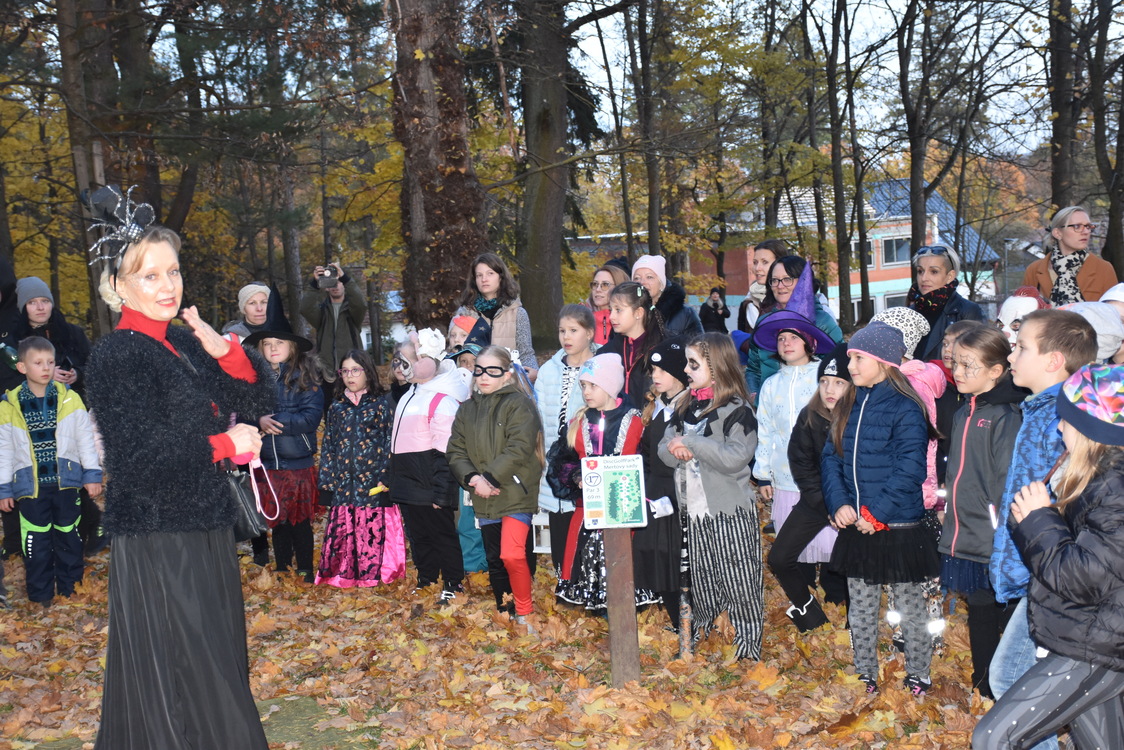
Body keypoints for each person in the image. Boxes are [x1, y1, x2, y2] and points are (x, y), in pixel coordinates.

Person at [84, 208, 272, 748]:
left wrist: (227, 353)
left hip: (205, 521)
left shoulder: (183, 342)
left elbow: (256, 398)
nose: (168, 286)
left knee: (215, 653)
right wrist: (225, 445)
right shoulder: (117, 354)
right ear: (119, 286)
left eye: (173, 271)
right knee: (186, 662)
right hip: (158, 533)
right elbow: (137, 457)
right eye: (150, 275)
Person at [973, 363, 1124, 750]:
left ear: (1091, 429)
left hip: (1096, 648)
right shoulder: (1100, 479)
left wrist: (1038, 520)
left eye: (1067, 420)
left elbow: (1084, 580)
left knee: (993, 738)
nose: (1059, 427)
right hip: (1090, 638)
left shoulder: (1115, 489)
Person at [986, 309, 1097, 750]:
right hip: (1040, 568)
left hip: (1052, 573)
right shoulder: (1038, 411)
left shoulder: (1063, 420)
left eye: (1021, 347)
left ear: (1053, 361)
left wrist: (1025, 564)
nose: (1011, 355)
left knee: (1012, 678)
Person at [823, 321, 940, 696]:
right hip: (858, 525)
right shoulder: (850, 403)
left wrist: (877, 514)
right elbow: (831, 457)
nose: (850, 366)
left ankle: (918, 673)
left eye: (858, 358)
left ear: (885, 361)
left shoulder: (907, 407)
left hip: (897, 525)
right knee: (860, 606)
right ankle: (865, 673)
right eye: (850, 358)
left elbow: (911, 468)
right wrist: (840, 502)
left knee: (909, 606)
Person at [659, 334, 763, 660]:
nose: (686, 370)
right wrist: (676, 448)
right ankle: (710, 642)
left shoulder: (738, 410)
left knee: (739, 582)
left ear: (716, 368)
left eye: (694, 364)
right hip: (693, 513)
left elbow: (736, 457)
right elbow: (664, 449)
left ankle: (746, 650)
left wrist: (692, 443)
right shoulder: (684, 406)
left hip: (730, 513)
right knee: (703, 581)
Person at [938, 326, 1023, 699]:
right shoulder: (963, 412)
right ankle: (983, 685)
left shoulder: (1005, 416)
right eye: (956, 363)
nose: (957, 372)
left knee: (1003, 608)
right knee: (980, 607)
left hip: (994, 535)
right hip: (966, 529)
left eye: (968, 365)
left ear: (996, 371)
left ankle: (1006, 684)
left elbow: (1006, 481)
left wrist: (1002, 528)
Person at [0, 337, 102, 606]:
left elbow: (85, 440)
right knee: (36, 543)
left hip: (66, 483)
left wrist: (92, 474)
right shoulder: (9, 406)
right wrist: (4, 488)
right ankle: (40, 596)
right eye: (38, 363)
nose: (46, 368)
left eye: (50, 362)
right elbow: (4, 450)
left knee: (70, 537)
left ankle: (71, 590)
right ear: (22, 367)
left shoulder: (70, 399)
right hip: (30, 487)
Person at [753, 313, 839, 625]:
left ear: (808, 342)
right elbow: (765, 430)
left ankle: (837, 601)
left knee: (831, 545)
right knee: (794, 548)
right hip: (785, 477)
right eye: (781, 339)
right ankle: (808, 607)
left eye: (793, 337)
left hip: (823, 477)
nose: (786, 343)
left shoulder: (823, 378)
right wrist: (763, 473)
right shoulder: (771, 384)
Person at [447, 346, 543, 626]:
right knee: (495, 559)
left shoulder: (519, 404)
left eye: (492, 371)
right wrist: (474, 479)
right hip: (484, 494)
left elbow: (519, 447)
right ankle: (505, 609)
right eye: (479, 371)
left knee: (512, 554)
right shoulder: (467, 409)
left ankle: (524, 612)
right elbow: (455, 451)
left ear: (507, 374)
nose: (484, 376)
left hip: (514, 491)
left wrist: (489, 478)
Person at [555, 353, 655, 610]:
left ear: (610, 386)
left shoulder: (636, 421)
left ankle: (624, 598)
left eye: (593, 385)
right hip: (589, 508)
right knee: (586, 549)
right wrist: (576, 475)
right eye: (583, 386)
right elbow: (563, 460)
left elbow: (647, 461)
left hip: (625, 507)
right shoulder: (578, 422)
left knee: (624, 552)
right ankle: (592, 596)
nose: (586, 392)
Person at [13, 276, 101, 555]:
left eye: (45, 301)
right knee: (43, 478)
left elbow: (93, 367)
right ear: (23, 307)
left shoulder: (71, 332)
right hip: (33, 417)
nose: (40, 307)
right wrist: (45, 376)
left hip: (69, 413)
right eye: (32, 302)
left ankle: (91, 527)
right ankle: (44, 538)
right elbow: (11, 377)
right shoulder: (14, 338)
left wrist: (77, 375)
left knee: (72, 471)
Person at [769, 343, 852, 632]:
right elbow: (801, 464)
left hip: (852, 505)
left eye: (838, 383)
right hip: (817, 500)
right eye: (824, 381)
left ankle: (855, 625)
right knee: (779, 558)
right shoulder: (810, 415)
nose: (829, 389)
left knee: (849, 562)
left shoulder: (860, 417)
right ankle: (810, 615)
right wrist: (826, 506)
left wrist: (843, 507)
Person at [244, 291, 324, 582]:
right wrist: (258, 421)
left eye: (279, 343)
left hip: (298, 463)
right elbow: (244, 415)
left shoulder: (306, 378)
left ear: (292, 347)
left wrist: (275, 420)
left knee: (299, 520)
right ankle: (281, 567)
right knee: (276, 519)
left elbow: (310, 418)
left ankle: (304, 568)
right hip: (268, 464)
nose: (273, 348)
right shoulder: (256, 380)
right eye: (267, 344)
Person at [390, 329, 469, 603]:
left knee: (442, 534)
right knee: (419, 536)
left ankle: (453, 582)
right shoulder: (408, 395)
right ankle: (427, 578)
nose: (402, 366)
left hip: (430, 483)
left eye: (409, 360)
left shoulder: (442, 400)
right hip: (408, 481)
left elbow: (446, 450)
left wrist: (442, 492)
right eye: (399, 360)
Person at [316, 349, 406, 588]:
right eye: (345, 371)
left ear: (367, 372)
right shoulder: (336, 407)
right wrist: (327, 483)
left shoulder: (381, 404)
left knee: (371, 530)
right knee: (345, 530)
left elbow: (389, 442)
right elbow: (329, 446)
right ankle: (343, 573)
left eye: (355, 370)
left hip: (373, 484)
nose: (350, 376)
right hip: (344, 485)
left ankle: (374, 574)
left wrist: (386, 476)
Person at [535, 304, 596, 575]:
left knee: (583, 531)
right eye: (562, 331)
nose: (566, 337)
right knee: (559, 529)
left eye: (573, 330)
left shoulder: (599, 368)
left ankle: (585, 582)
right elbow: (539, 415)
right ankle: (564, 581)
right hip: (554, 461)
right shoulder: (548, 370)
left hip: (584, 460)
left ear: (590, 333)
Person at [636, 337, 690, 630]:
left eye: (662, 370)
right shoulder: (655, 408)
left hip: (680, 493)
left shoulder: (689, 408)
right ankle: (678, 620)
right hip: (656, 492)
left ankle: (692, 622)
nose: (655, 376)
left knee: (680, 560)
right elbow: (646, 453)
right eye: (652, 371)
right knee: (657, 555)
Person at [745, 256, 842, 398]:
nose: (780, 286)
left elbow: (838, 368)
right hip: (769, 406)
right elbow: (753, 369)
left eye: (787, 279)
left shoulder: (822, 322)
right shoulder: (764, 323)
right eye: (775, 280)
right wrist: (755, 396)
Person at [454, 252, 537, 373]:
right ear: (474, 280)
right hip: (471, 379)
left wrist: (533, 373)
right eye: (479, 275)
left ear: (501, 277)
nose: (484, 279)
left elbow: (526, 354)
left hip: (507, 379)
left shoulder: (518, 313)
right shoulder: (465, 312)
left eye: (490, 273)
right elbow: (454, 351)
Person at [1023, 206, 1118, 305]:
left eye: (1088, 226)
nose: (1086, 232)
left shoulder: (1103, 269)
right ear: (1057, 233)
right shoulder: (1034, 270)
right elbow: (1025, 310)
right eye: (1077, 226)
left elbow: (1113, 312)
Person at [907, 244, 985, 361]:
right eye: (920, 271)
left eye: (934, 271)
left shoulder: (967, 311)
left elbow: (975, 359)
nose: (924, 278)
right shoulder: (909, 313)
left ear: (950, 276)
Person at [598, 282, 665, 409]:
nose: (611, 317)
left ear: (638, 313)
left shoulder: (662, 350)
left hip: (651, 419)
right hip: (616, 420)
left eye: (618, 310)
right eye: (611, 310)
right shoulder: (606, 353)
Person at [300, 261, 367, 379]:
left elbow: (360, 304)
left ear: (344, 285)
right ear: (326, 287)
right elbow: (305, 308)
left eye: (339, 281)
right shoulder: (322, 313)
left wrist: (345, 278)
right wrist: (315, 283)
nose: (336, 285)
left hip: (351, 372)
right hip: (326, 374)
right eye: (332, 281)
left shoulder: (353, 313)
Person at [631, 255, 703, 337]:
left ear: (661, 283)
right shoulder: (626, 313)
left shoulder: (685, 314)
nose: (642, 282)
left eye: (649, 277)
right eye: (637, 278)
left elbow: (701, 343)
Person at [738, 239, 790, 333]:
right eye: (755, 262)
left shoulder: (800, 297)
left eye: (765, 262)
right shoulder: (751, 302)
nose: (757, 268)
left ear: (780, 264)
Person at [583, 262, 630, 345]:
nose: (598, 289)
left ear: (619, 287)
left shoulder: (629, 321)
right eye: (595, 284)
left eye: (605, 284)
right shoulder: (581, 318)